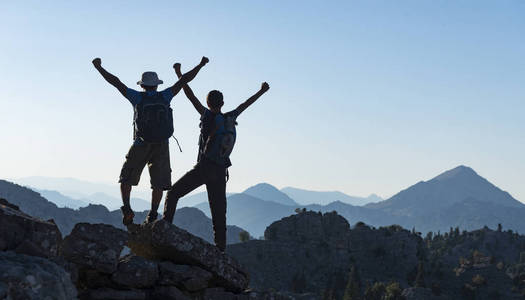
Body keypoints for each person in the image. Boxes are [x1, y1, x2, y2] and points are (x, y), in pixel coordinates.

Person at [162, 62, 269, 251]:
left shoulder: (206, 116)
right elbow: (246, 104)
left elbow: (189, 95)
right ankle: (220, 251)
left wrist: (179, 73)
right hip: (221, 172)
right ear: (223, 103)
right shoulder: (230, 117)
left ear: (208, 102)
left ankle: (163, 231)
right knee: (219, 214)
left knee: (173, 194)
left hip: (203, 168)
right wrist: (262, 91)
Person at [92, 56, 209, 225]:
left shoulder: (137, 98)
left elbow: (116, 82)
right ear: (156, 85)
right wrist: (200, 65)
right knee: (159, 183)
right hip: (162, 144)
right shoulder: (166, 96)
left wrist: (99, 68)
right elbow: (184, 80)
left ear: (143, 85)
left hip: (141, 143)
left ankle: (127, 208)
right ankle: (153, 214)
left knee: (126, 177)